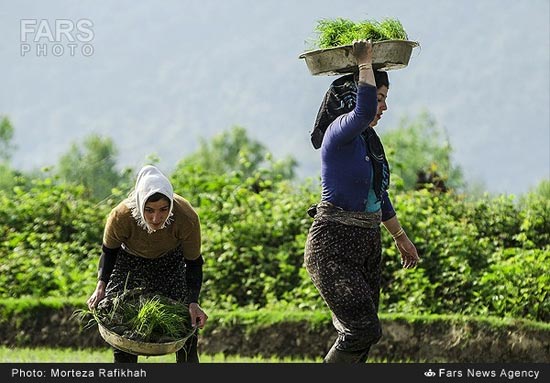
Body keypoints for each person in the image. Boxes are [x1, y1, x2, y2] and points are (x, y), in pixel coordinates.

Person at [304, 39, 420, 363]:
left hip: (367, 243)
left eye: (384, 99)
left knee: (366, 334)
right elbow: (365, 110)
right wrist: (365, 62)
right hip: (333, 245)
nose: (383, 107)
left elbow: (378, 196)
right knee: (362, 329)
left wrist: (400, 237)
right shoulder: (338, 134)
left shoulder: (369, 143)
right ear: (356, 96)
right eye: (380, 98)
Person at [86, 164, 208, 363]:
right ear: (140, 203)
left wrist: (193, 301)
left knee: (187, 329)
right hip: (128, 264)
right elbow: (109, 252)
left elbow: (194, 262)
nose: (156, 218)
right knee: (123, 328)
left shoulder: (186, 217)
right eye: (149, 210)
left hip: (170, 263)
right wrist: (101, 286)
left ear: (170, 205)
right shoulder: (121, 216)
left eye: (163, 210)